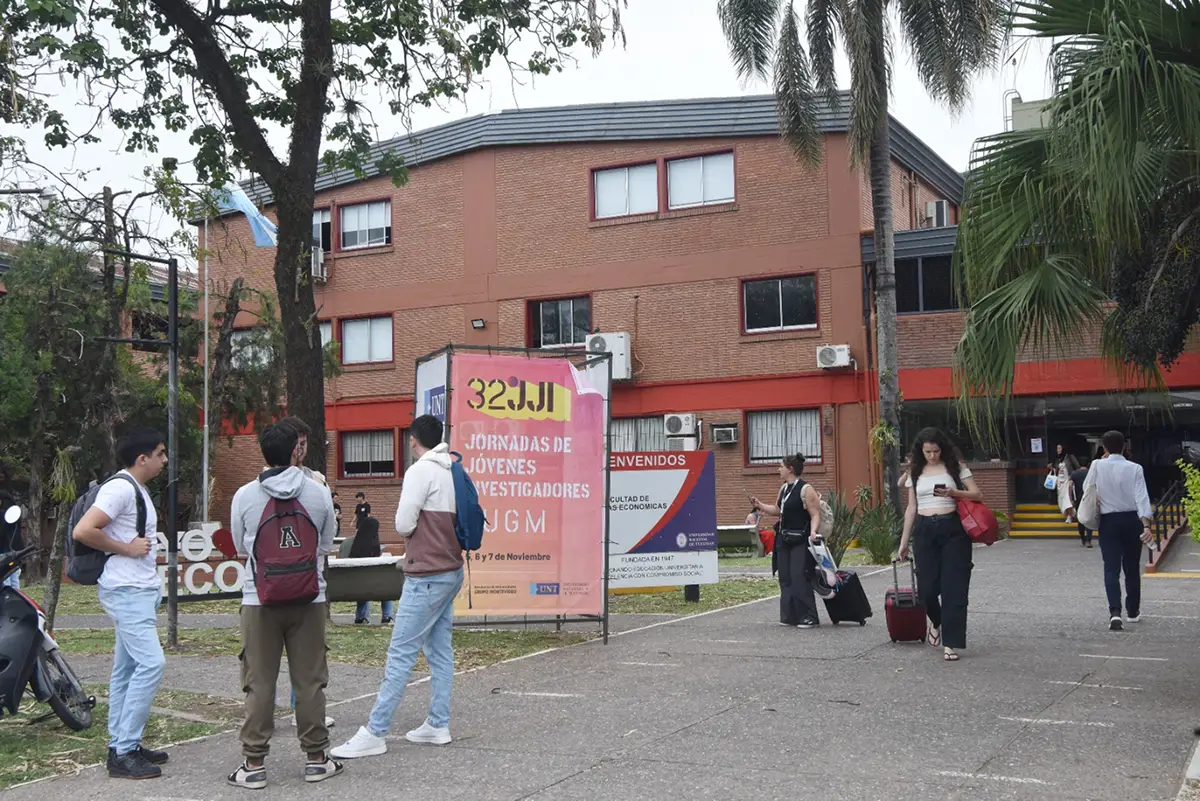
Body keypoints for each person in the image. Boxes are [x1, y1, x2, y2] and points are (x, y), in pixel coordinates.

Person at [332, 415, 464, 759]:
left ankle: (375, 731)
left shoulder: (420, 471)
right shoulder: (453, 469)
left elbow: (404, 523)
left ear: (412, 440)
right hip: (450, 570)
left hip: (425, 574)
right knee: (439, 651)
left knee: (401, 654)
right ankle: (438, 723)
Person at [227, 422, 342, 789]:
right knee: (309, 682)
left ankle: (254, 764)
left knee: (259, 682)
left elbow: (241, 547)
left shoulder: (244, 495)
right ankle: (316, 759)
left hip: (258, 599)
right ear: (296, 450)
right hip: (310, 596)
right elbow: (325, 544)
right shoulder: (318, 492)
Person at [72, 429, 170, 779]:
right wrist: (127, 548)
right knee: (151, 663)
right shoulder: (119, 488)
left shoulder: (136, 489)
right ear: (141, 459)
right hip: (126, 590)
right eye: (160, 453)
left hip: (136, 590)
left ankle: (124, 742)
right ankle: (123, 750)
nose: (164, 459)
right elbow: (84, 531)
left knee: (127, 669)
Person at [897, 427, 984, 662]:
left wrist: (954, 492)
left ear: (942, 449)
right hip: (924, 530)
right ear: (920, 451)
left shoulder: (955, 466)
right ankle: (936, 620)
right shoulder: (915, 472)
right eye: (927, 452)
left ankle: (951, 643)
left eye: (935, 451)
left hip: (953, 529)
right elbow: (911, 508)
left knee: (954, 588)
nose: (932, 456)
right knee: (926, 588)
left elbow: (977, 494)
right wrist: (903, 542)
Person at [273, 417, 335, 730]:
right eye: (296, 441)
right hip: (271, 580)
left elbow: (327, 535)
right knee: (265, 654)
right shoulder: (265, 480)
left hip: (310, 578)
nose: (301, 447)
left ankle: (305, 708)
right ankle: (264, 707)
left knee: (308, 654)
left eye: (305, 441)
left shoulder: (317, 481)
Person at [1083, 430, 1154, 631]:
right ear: (1125, 446)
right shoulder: (1135, 468)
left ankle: (1115, 613)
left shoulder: (1097, 465)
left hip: (1109, 520)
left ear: (1104, 448)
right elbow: (1142, 497)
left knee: (1111, 568)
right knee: (1132, 567)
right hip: (1132, 519)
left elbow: (1088, 488)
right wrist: (1146, 524)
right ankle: (1133, 611)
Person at [751, 453, 823, 628]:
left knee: (799, 575)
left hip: (800, 538)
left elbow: (815, 514)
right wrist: (760, 505)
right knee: (785, 577)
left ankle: (809, 616)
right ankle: (790, 615)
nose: (779, 469)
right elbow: (777, 510)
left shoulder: (806, 489)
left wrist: (813, 532)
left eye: (781, 466)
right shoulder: (784, 489)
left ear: (790, 469)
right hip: (784, 538)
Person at [349, 517, 395, 624]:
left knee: (363, 586)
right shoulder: (374, 548)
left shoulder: (353, 546)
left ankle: (361, 617)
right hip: (374, 587)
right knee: (387, 589)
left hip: (354, 585)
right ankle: (387, 617)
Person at [0, 492, 24, 589]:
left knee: (6, 581)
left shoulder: (5, 513)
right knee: (13, 582)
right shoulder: (13, 511)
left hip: (6, 552)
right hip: (15, 551)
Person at [1069, 460, 1093, 548]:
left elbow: (1070, 486)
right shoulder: (1090, 473)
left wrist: (1071, 499)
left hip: (1079, 499)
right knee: (1089, 518)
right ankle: (1089, 539)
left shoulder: (1074, 474)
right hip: (1089, 498)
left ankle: (1083, 538)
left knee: (1080, 519)